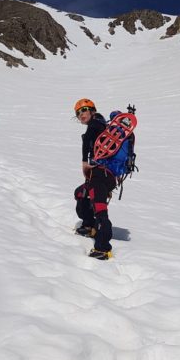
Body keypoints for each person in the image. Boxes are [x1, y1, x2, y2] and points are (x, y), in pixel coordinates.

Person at [73, 98, 116, 260]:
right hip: (100, 175)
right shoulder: (101, 125)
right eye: (78, 113)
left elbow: (88, 146)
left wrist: (85, 163)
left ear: (92, 110)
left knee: (100, 209)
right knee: (80, 193)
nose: (81, 114)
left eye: (84, 110)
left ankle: (103, 249)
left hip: (101, 175)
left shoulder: (96, 125)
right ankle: (89, 225)